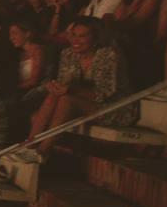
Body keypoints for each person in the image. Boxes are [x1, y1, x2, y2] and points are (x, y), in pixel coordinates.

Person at [29, 17, 138, 153]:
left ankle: (42, 152)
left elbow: (105, 94)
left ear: (96, 38)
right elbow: (64, 84)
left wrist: (70, 90)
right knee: (55, 95)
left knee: (67, 100)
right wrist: (56, 88)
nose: (75, 41)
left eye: (83, 36)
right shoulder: (68, 54)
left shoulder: (108, 55)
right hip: (82, 102)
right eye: (73, 35)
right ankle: (31, 144)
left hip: (114, 107)